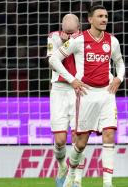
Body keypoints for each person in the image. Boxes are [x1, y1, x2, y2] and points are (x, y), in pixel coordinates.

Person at [49, 5, 125, 187]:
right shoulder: (79, 40)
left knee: (109, 134)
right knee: (80, 143)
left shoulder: (112, 41)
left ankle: (107, 183)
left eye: (106, 16)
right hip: (85, 94)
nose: (104, 19)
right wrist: (72, 79)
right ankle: (70, 174)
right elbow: (53, 59)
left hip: (107, 93)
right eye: (100, 16)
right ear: (90, 19)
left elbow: (120, 62)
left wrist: (119, 78)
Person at [47, 14, 86, 187]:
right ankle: (62, 166)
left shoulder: (84, 39)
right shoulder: (53, 37)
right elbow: (52, 62)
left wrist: (70, 43)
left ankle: (76, 179)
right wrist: (64, 44)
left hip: (79, 89)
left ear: (79, 27)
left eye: (72, 30)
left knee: (78, 136)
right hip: (59, 90)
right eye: (65, 29)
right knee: (60, 140)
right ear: (61, 26)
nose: (68, 33)